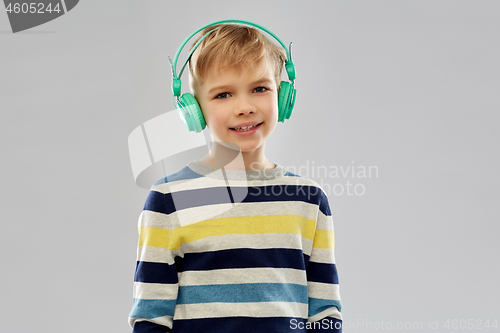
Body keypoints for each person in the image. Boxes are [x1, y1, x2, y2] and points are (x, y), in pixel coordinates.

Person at [128, 20, 343, 333]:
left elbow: (324, 313)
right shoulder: (168, 199)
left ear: (283, 97)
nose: (244, 107)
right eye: (223, 95)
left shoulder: (309, 200)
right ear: (194, 110)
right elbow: (151, 316)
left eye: (259, 89)